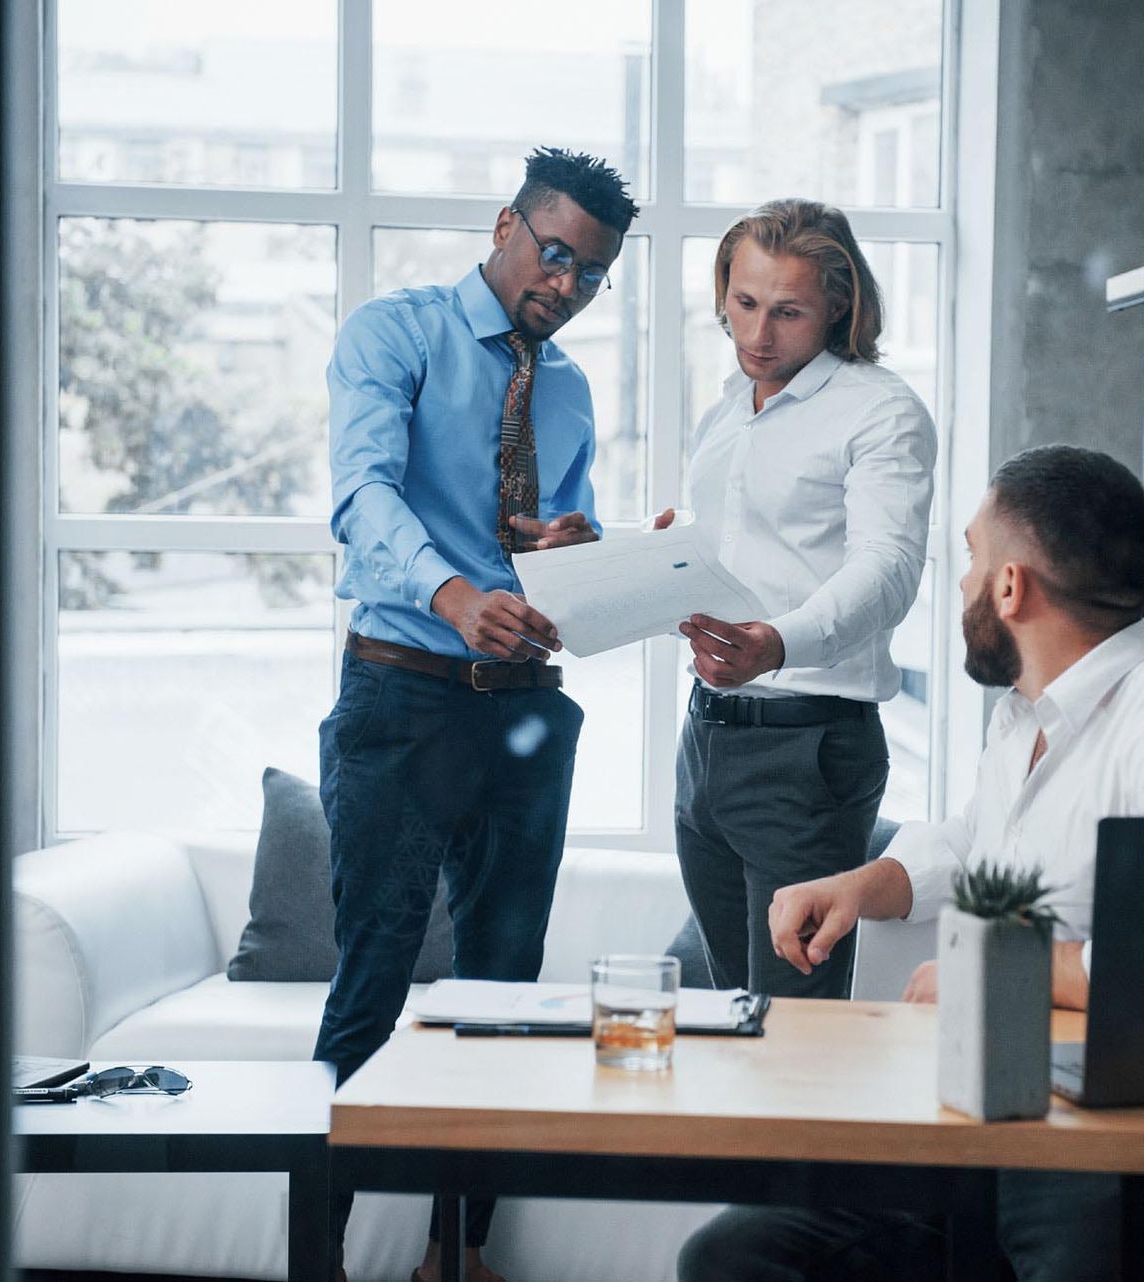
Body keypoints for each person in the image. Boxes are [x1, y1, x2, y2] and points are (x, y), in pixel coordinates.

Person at [679, 444, 1144, 1282]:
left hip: (1112, 1154)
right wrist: (865, 883)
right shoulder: (1024, 716)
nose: (961, 582)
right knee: (736, 1256)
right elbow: (976, 840)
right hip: (986, 1117)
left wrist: (1004, 970)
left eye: (971, 556)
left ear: (1011, 587)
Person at [315, 146, 637, 1282]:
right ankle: (327, 1260)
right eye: (554, 255)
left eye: (591, 275)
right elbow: (364, 496)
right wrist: (457, 592)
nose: (565, 286)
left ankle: (458, 1260)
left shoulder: (569, 387)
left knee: (504, 999)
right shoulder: (395, 334)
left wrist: (565, 551)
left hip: (524, 717)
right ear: (506, 226)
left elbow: (554, 527)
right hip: (403, 695)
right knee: (374, 981)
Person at [662, 197, 937, 1000]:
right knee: (732, 1017)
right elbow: (732, 542)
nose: (757, 334)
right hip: (705, 742)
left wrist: (776, 642)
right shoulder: (727, 409)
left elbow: (887, 568)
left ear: (839, 306)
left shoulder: (879, 410)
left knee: (793, 1031)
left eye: (787, 312)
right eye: (744, 304)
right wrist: (620, 550)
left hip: (806, 750)